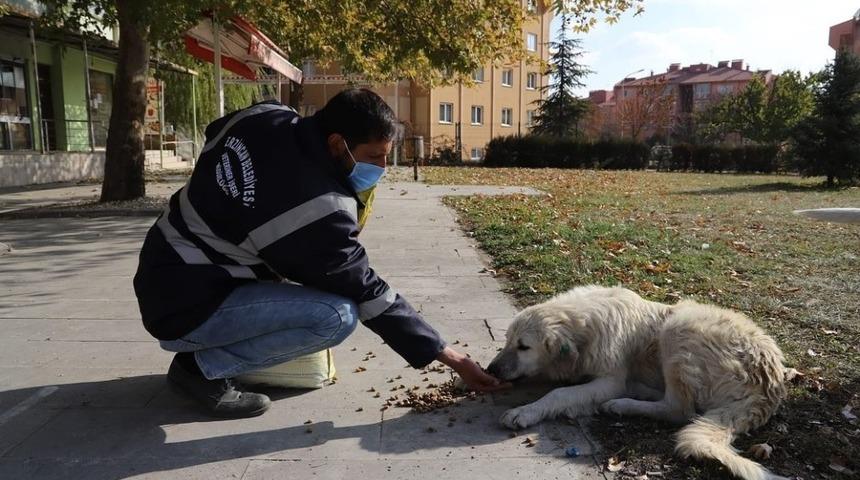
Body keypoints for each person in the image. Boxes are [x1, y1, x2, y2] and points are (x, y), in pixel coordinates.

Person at [133, 88, 507, 418]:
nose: (380, 168)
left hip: (162, 266)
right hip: (187, 307)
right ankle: (199, 369)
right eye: (373, 157)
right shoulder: (317, 209)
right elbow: (366, 291)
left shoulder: (265, 114)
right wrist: (452, 358)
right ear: (335, 144)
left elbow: (214, 131)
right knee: (336, 316)